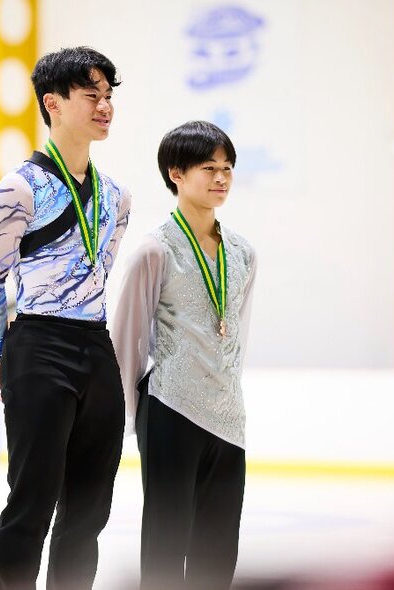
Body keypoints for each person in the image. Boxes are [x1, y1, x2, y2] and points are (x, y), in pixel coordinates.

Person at [0, 46, 131, 589]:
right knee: (33, 500)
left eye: (109, 95)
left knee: (89, 509)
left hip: (96, 345)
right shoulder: (18, 188)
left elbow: (100, 273)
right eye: (92, 95)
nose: (105, 106)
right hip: (37, 345)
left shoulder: (117, 197)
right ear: (53, 103)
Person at [111, 121, 257, 590]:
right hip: (171, 410)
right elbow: (127, 340)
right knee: (166, 543)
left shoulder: (243, 253)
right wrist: (128, 420)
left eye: (227, 168)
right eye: (208, 167)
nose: (221, 178)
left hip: (228, 418)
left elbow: (236, 333)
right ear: (176, 173)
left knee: (219, 548)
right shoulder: (155, 250)